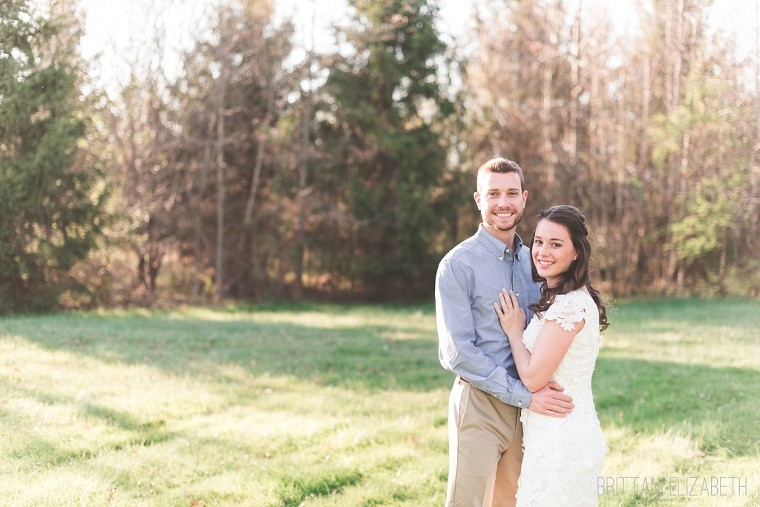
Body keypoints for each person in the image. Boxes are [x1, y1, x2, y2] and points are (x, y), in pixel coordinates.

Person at [436, 158, 575, 507]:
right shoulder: (457, 265)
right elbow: (457, 353)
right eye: (493, 193)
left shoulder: (537, 262)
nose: (503, 202)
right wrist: (524, 395)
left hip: (528, 411)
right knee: (465, 502)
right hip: (480, 405)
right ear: (478, 200)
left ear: (524, 198)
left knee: (511, 502)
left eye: (512, 193)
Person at [494, 204, 609, 506]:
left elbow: (532, 378)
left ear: (576, 253)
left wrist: (514, 332)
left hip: (562, 441)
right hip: (554, 433)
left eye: (556, 244)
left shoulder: (570, 305)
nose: (542, 251)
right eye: (540, 241)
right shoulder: (564, 299)